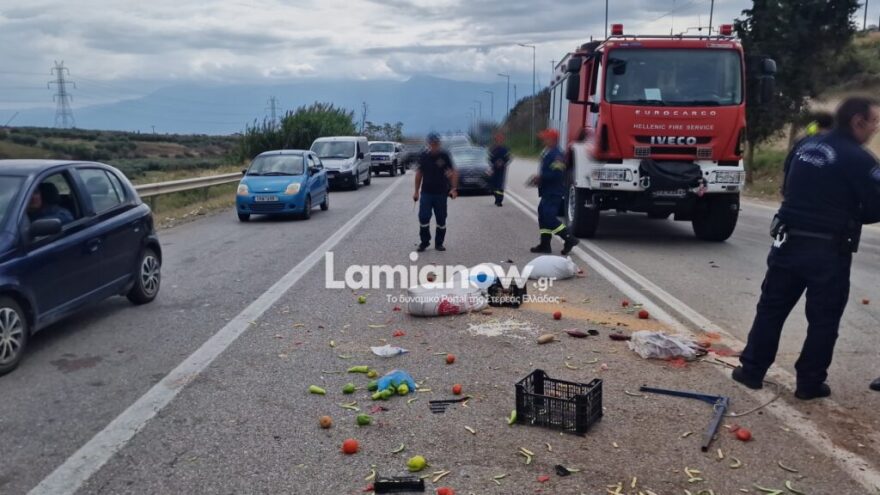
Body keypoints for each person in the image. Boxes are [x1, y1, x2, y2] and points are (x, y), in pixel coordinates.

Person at [732, 97, 880, 400]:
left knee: (771, 309)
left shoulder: (805, 145)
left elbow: (786, 187)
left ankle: (751, 371)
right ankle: (809, 383)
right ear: (857, 121)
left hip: (788, 241)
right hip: (829, 250)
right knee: (824, 319)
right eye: (874, 122)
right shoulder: (861, 160)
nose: (876, 129)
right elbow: (876, 207)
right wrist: (851, 214)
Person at [529, 128, 579, 255]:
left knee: (549, 218)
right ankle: (545, 244)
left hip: (553, 191)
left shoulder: (557, 154)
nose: (543, 140)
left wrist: (541, 177)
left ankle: (569, 238)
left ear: (552, 139)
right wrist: (540, 179)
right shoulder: (548, 152)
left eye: (545, 138)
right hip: (547, 191)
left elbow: (557, 174)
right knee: (543, 215)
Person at [413, 132, 458, 252]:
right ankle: (424, 242)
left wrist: (453, 189)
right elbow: (419, 174)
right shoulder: (423, 156)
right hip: (426, 193)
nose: (434, 145)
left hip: (441, 193)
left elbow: (453, 172)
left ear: (439, 144)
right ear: (428, 144)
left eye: (436, 143)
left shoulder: (445, 156)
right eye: (432, 143)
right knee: (423, 217)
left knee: (441, 219)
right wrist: (416, 191)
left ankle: (439, 243)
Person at [487, 132, 511, 206]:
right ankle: (496, 197)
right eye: (498, 139)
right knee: (494, 185)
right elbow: (489, 159)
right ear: (495, 140)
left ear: (503, 140)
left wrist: (502, 162)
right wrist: (495, 163)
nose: (499, 141)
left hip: (502, 170)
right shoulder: (492, 149)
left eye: (501, 139)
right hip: (494, 169)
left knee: (500, 185)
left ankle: (499, 201)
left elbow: (508, 158)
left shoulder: (505, 149)